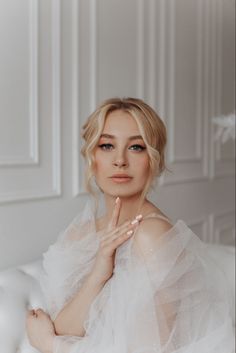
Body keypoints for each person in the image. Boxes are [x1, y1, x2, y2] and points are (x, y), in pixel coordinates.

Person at [26, 97, 234, 353]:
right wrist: (99, 274)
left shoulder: (152, 235)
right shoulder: (81, 233)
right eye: (106, 145)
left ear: (153, 159)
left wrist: (48, 344)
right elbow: (65, 328)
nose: (120, 160)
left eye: (136, 147)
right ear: (92, 156)